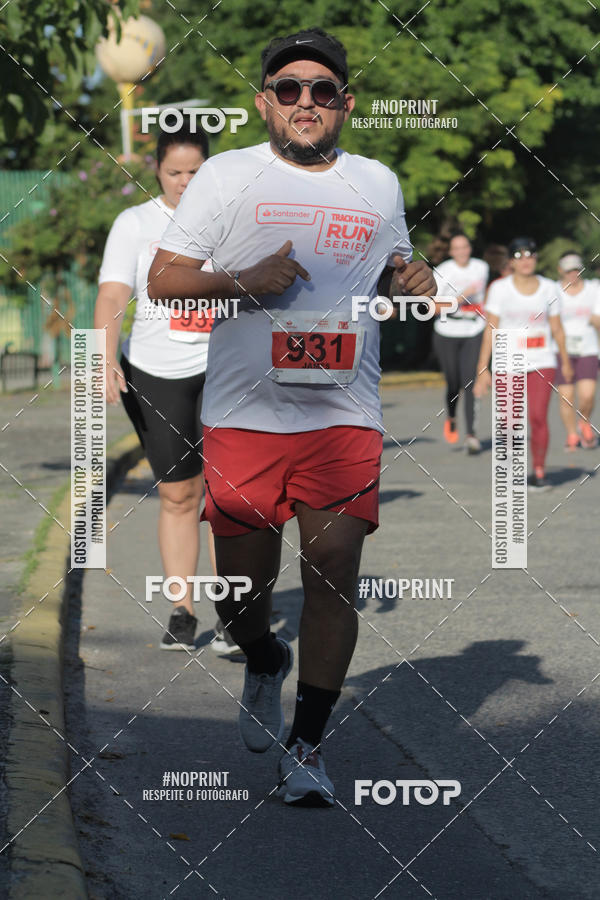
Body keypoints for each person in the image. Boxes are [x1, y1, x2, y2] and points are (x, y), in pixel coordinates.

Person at [148, 27, 436, 806]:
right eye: (288, 88)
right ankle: (264, 659)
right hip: (246, 415)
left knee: (334, 570)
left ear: (345, 103)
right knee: (240, 594)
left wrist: (416, 277)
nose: (305, 101)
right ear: (263, 101)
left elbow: (397, 272)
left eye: (323, 89)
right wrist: (244, 279)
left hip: (345, 412)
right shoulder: (224, 178)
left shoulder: (379, 182)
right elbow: (163, 280)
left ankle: (305, 747)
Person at [94, 125, 240, 656]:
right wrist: (103, 357)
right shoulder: (135, 224)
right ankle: (182, 608)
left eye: (195, 172)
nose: (183, 182)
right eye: (174, 172)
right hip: (157, 374)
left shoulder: (233, 220)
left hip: (227, 371)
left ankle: (232, 612)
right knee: (180, 494)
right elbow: (112, 293)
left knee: (228, 496)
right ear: (157, 170)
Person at [474, 237, 573, 491]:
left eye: (530, 254)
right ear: (511, 262)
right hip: (508, 361)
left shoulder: (550, 288)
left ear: (536, 259)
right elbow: (491, 329)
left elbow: (557, 328)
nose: (526, 260)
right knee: (509, 422)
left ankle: (539, 471)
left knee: (538, 417)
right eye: (519, 255)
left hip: (542, 359)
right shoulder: (499, 288)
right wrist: (483, 368)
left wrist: (565, 361)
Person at [433, 233, 489, 453]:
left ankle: (471, 435)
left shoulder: (481, 267)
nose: (462, 251)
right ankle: (452, 415)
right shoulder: (443, 271)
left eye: (465, 246)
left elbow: (485, 299)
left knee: (470, 383)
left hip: (474, 329)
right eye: (457, 248)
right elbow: (434, 308)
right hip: (446, 331)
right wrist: (461, 298)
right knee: (453, 383)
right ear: (451, 251)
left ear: (470, 248)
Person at [554, 251, 600, 450]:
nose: (572, 274)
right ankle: (572, 435)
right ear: (560, 271)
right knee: (566, 396)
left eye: (576, 270)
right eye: (568, 270)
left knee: (588, 395)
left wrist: (594, 319)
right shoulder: (553, 291)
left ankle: (584, 421)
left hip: (588, 348)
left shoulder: (594, 289)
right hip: (561, 350)